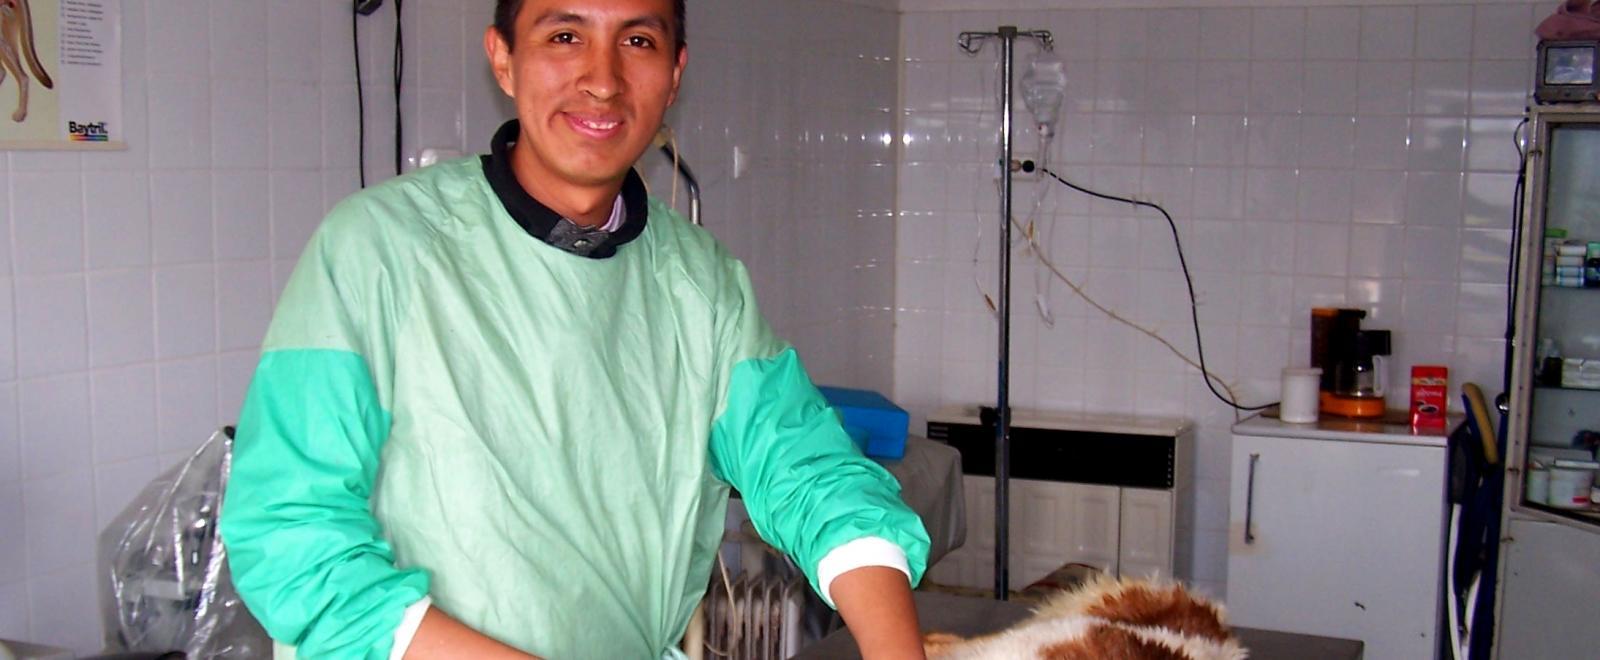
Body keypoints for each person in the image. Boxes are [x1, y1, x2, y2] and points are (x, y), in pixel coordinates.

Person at [217, 0, 932, 658]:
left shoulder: (700, 284)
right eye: (564, 36)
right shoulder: (378, 250)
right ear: (503, 59)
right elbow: (290, 534)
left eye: (638, 40)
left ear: (675, 72)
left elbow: (810, 473)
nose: (603, 79)